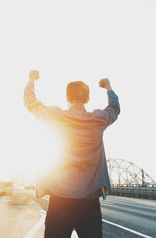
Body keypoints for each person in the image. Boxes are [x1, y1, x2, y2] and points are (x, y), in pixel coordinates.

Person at [24, 70, 120, 238]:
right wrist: (108, 87)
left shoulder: (56, 116)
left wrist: (31, 80)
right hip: (89, 203)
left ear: (67, 99)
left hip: (60, 201)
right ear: (88, 99)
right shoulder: (97, 119)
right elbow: (114, 108)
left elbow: (31, 102)